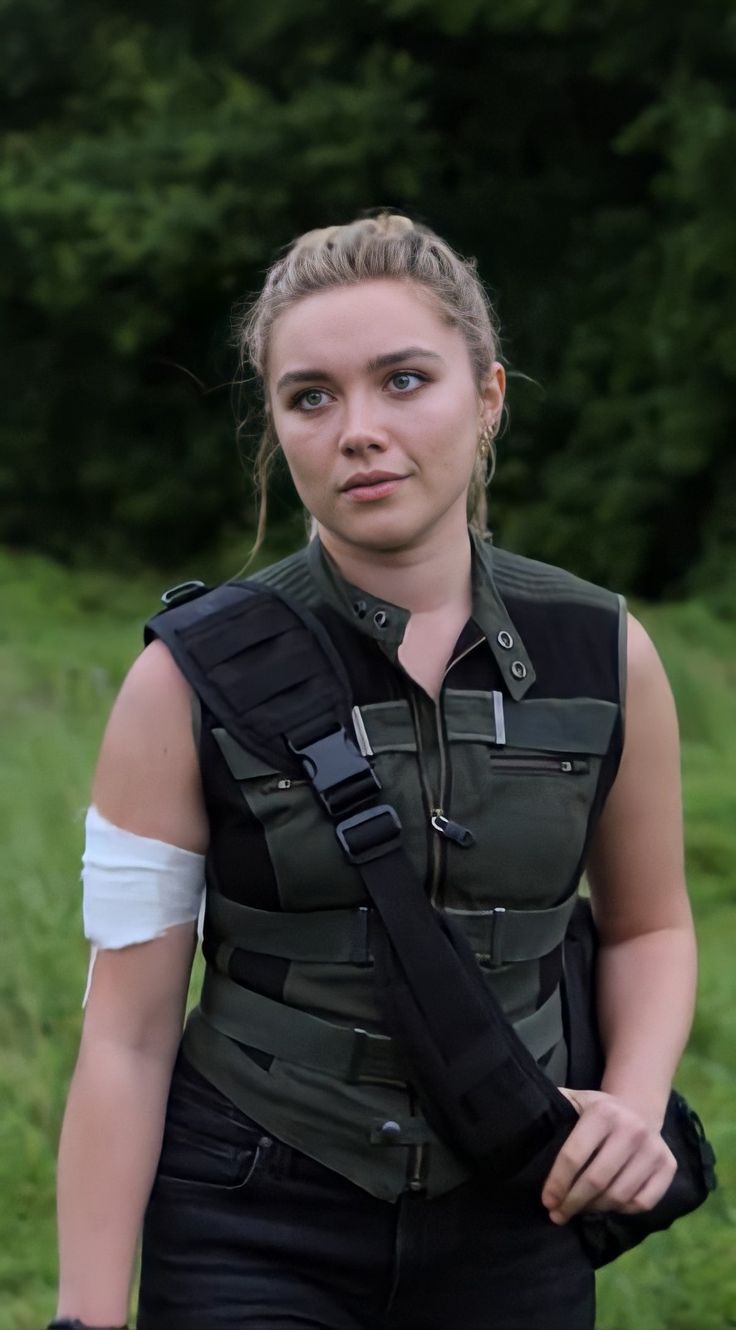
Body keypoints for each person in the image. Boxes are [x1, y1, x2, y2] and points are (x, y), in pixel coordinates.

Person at [51, 213, 697, 1330]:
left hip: (514, 1201)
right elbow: (127, 1031)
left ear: (488, 395)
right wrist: (87, 1319)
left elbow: (649, 928)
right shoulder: (182, 683)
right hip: (250, 1210)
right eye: (312, 396)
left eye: (403, 380)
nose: (360, 430)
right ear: (278, 426)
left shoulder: (606, 654)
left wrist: (632, 1105)